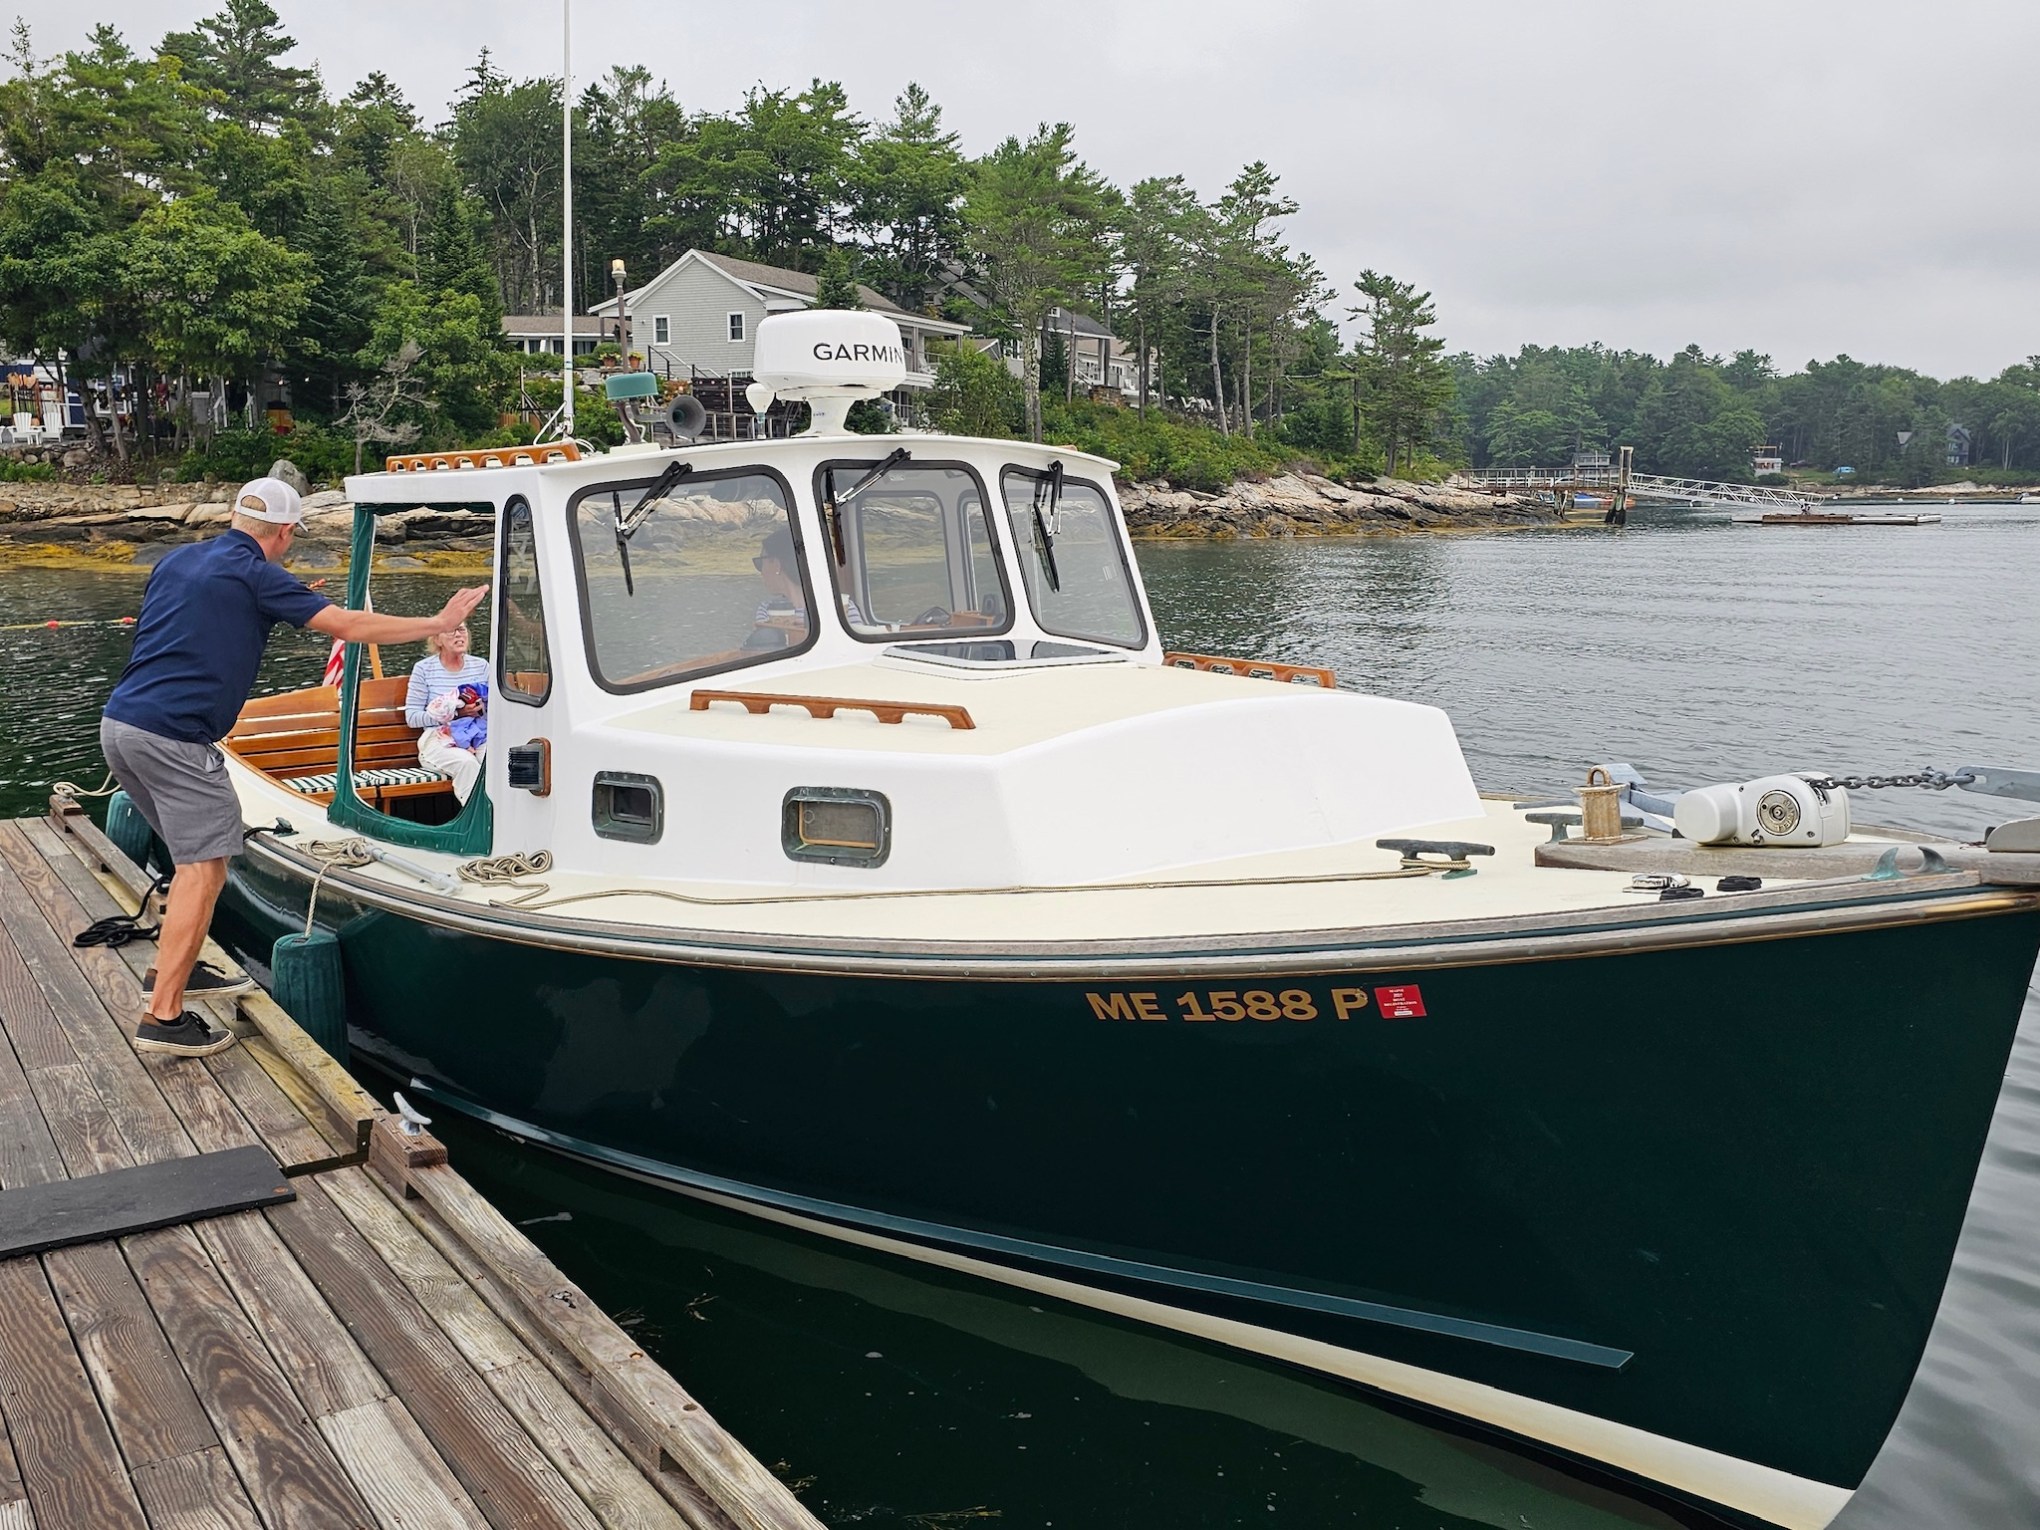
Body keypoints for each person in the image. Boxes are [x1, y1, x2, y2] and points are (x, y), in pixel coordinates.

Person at [100, 477, 487, 1058]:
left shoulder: (177, 562)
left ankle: (173, 972)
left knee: (192, 865)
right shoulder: (258, 574)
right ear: (283, 534)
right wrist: (436, 624)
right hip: (174, 740)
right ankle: (162, 1016)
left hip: (121, 726)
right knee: (203, 873)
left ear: (235, 518)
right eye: (290, 537)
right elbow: (349, 627)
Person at [405, 624, 489, 802]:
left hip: (477, 734)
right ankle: (477, 821)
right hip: (438, 738)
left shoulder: (481, 666)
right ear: (437, 639)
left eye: (462, 630)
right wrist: (456, 714)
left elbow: (495, 707)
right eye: (452, 631)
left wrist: (480, 708)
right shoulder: (423, 669)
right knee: (466, 763)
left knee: (495, 761)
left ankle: (503, 821)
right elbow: (412, 717)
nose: (459, 635)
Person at [751, 527, 860, 643]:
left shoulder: (843, 607)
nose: (761, 572)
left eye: (760, 563)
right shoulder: (842, 606)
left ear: (777, 564)